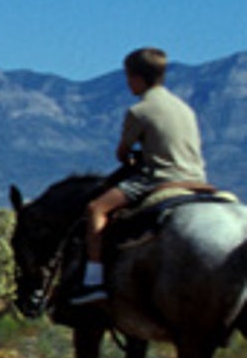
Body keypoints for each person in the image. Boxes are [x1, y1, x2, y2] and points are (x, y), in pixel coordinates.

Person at [71, 47, 207, 306]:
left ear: (136, 77)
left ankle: (93, 280)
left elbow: (122, 153)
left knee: (96, 208)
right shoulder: (185, 108)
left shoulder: (140, 111)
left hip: (159, 178)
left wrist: (131, 158)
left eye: (128, 77)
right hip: (197, 179)